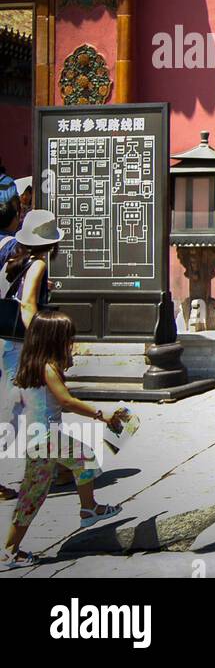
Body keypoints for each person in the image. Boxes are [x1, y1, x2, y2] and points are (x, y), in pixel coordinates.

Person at [2, 310, 124, 567]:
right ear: (54, 340)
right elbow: (66, 401)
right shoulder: (48, 368)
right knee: (86, 456)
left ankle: (9, 551)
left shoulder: (32, 367)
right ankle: (89, 508)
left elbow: (58, 404)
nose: (72, 344)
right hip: (48, 436)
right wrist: (101, 415)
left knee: (32, 496)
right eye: (68, 339)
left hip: (35, 439)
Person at [1, 210, 64, 502]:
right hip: (22, 345)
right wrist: (39, 342)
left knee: (15, 408)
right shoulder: (37, 264)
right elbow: (27, 305)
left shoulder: (11, 255)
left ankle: (55, 464)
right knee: (36, 407)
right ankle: (49, 468)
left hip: (6, 340)